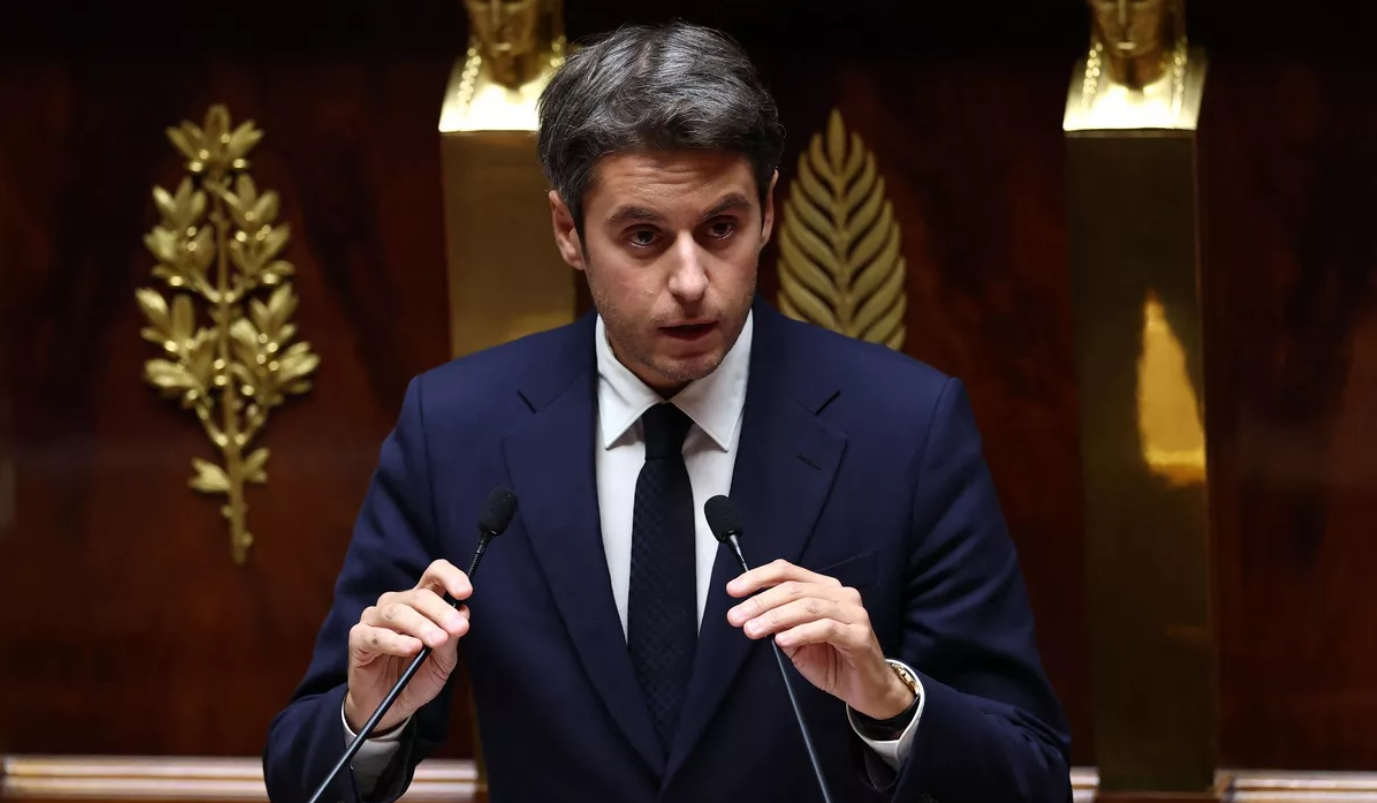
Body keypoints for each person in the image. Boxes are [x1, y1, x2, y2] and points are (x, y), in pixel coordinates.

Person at [263, 20, 1071, 803]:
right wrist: (369, 716)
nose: (690, 281)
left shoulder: (905, 426)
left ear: (769, 211)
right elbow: (302, 774)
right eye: (644, 237)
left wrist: (890, 700)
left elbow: (1032, 773)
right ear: (567, 230)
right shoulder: (454, 427)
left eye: (720, 227)